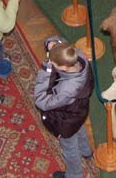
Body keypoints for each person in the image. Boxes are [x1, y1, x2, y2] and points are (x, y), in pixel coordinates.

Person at [34, 39, 95, 178]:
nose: (50, 62)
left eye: (53, 63)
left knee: (70, 149)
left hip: (65, 121)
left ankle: (74, 175)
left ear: (64, 68)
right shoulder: (77, 56)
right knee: (79, 127)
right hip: (78, 112)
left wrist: (46, 70)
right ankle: (86, 151)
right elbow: (64, 44)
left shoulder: (67, 89)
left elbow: (41, 101)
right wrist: (53, 42)